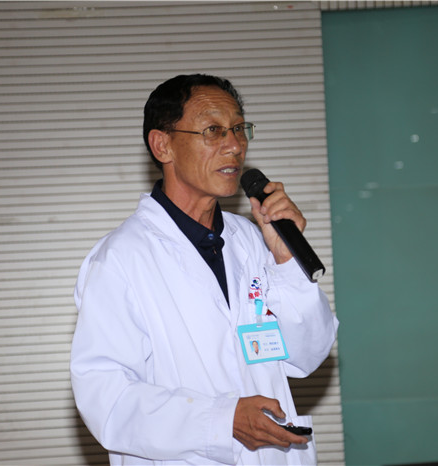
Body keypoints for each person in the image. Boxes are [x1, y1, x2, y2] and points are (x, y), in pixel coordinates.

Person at [70, 74, 338, 465]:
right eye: (213, 130)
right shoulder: (121, 259)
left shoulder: (254, 240)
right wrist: (221, 421)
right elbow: (106, 399)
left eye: (239, 129)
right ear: (162, 145)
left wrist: (286, 261)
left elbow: (307, 356)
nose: (235, 145)